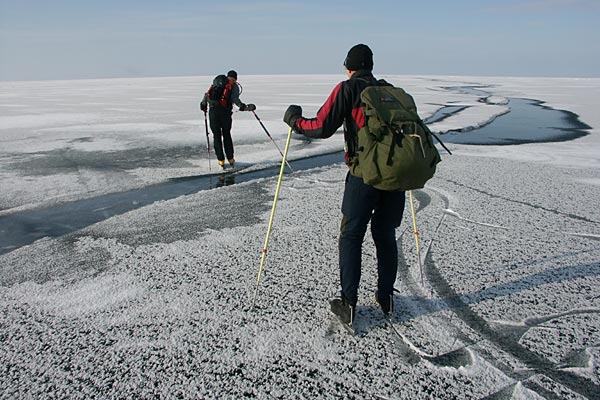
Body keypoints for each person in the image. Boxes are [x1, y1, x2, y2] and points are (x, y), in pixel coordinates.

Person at [283, 44, 406, 325]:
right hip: (394, 174)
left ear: (349, 67)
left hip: (364, 175)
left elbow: (321, 127)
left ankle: (348, 304)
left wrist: (294, 121)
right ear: (371, 66)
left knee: (351, 235)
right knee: (385, 234)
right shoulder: (388, 90)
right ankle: (386, 296)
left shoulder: (348, 88)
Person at [201, 70, 255, 169]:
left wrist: (203, 105)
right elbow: (235, 99)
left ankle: (220, 160)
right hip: (225, 113)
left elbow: (207, 95)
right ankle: (230, 159)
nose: (233, 81)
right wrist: (242, 106)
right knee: (226, 135)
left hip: (213, 112)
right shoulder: (233, 87)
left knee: (216, 136)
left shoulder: (217, 83)